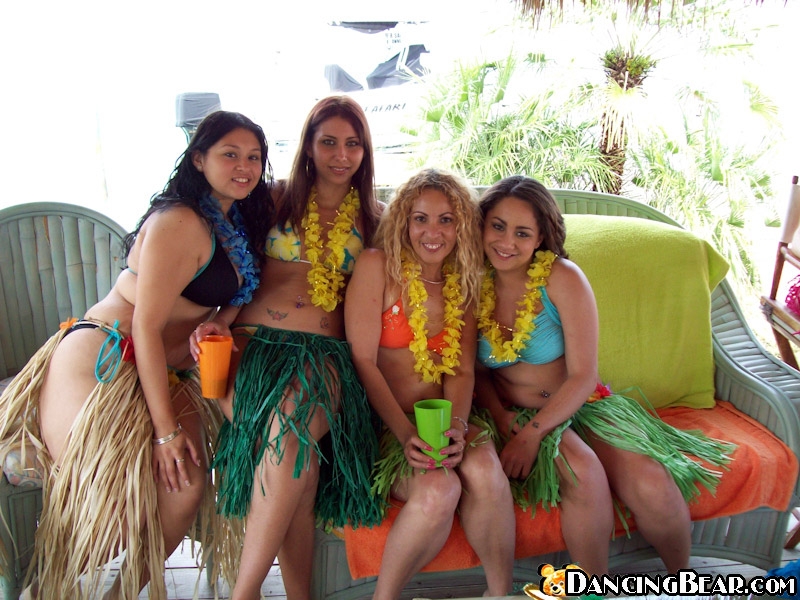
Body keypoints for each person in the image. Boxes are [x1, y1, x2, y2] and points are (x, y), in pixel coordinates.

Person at [0, 110, 274, 599]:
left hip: (167, 369)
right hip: (107, 356)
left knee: (185, 489)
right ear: (198, 159)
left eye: (254, 157)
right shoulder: (180, 221)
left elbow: (237, 291)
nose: (244, 166)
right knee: (116, 510)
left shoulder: (236, 221)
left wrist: (221, 321)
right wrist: (165, 433)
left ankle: (121, 595)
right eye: (230, 154)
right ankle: (41, 589)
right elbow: (146, 327)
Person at [474, 175, 734, 575]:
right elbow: (476, 372)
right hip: (510, 413)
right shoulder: (471, 282)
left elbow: (583, 376)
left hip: (580, 403)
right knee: (583, 472)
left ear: (540, 237)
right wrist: (505, 419)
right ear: (482, 226)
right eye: (498, 226)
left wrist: (531, 435)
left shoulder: (561, 278)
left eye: (522, 233)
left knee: (652, 484)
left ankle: (684, 582)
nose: (507, 242)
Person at [190, 95, 385, 600]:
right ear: (308, 146)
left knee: (290, 433)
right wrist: (217, 322)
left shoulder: (376, 219)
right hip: (250, 347)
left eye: (353, 144)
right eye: (328, 141)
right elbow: (235, 266)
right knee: (299, 463)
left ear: (365, 151)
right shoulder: (273, 200)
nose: (340, 154)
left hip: (323, 355)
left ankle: (245, 592)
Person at [345, 169, 516, 599]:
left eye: (446, 220)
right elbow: (364, 361)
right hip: (388, 424)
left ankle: (499, 594)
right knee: (440, 488)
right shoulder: (377, 266)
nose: (432, 232)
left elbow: (461, 371)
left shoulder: (464, 280)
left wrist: (457, 427)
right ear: (404, 222)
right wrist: (406, 434)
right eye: (420, 219)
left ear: (462, 226)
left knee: (484, 469)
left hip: (445, 417)